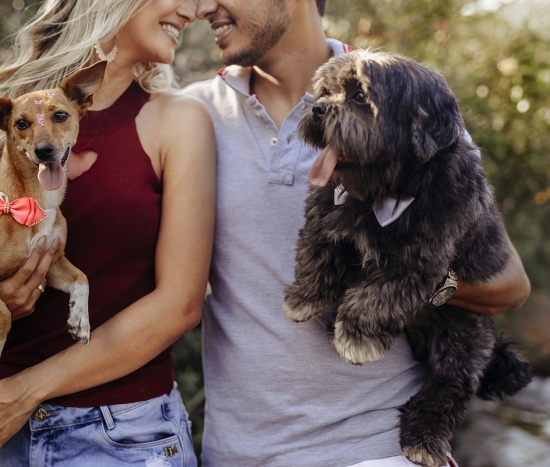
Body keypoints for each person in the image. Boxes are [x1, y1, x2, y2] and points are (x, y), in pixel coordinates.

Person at [183, 1, 531, 466]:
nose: (205, 7)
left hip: (380, 448)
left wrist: (419, 284)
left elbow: (509, 284)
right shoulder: (191, 114)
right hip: (237, 454)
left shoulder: (404, 99)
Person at [0, 1, 215, 466]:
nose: (194, 8)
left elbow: (180, 304)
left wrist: (24, 392)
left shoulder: (180, 122)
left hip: (125, 438)